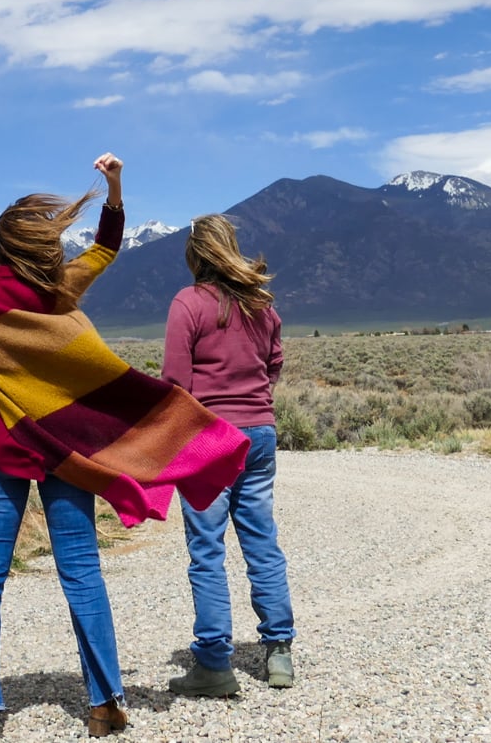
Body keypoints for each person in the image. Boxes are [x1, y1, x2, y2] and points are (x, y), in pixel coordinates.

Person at [0, 154, 250, 741]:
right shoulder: (59, 292)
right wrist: (115, 190)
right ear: (43, 248)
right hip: (66, 455)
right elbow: (103, 251)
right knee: (80, 570)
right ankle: (105, 703)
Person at [161, 213, 296, 696]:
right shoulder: (264, 306)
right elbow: (274, 363)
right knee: (262, 541)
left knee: (206, 551)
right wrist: (253, 402)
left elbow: (176, 382)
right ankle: (279, 652)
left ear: (195, 254)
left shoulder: (189, 303)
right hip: (259, 431)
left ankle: (215, 665)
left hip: (209, 438)